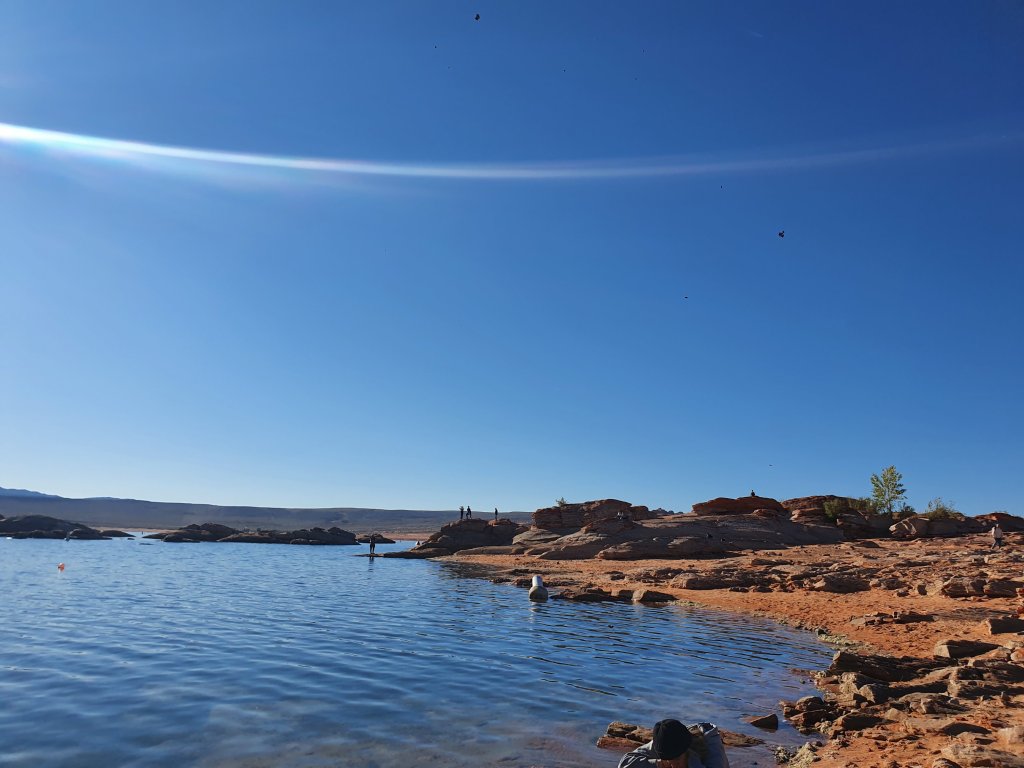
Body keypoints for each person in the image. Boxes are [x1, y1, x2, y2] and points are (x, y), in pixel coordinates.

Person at [617, 719, 730, 768]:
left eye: (677, 759)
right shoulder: (665, 741)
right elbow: (625, 764)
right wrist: (658, 763)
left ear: (687, 750)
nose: (673, 766)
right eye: (669, 760)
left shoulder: (713, 753)